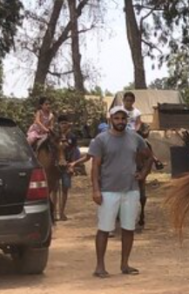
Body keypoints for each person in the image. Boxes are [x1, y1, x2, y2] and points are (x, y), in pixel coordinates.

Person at [87, 105, 152, 278]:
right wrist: (96, 190)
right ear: (111, 119)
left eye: (123, 118)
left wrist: (144, 173)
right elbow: (95, 167)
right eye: (117, 118)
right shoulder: (101, 140)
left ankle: (125, 264)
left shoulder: (135, 138)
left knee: (128, 228)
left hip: (131, 190)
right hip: (108, 191)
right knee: (104, 229)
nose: (120, 121)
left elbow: (148, 156)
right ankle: (100, 266)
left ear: (127, 120)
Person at [57, 115, 81, 221]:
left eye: (65, 123)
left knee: (65, 189)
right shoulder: (55, 135)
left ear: (68, 124)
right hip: (55, 165)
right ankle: (53, 213)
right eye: (61, 123)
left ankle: (61, 212)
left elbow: (74, 151)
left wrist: (73, 164)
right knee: (53, 189)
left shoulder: (72, 136)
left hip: (67, 165)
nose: (63, 125)